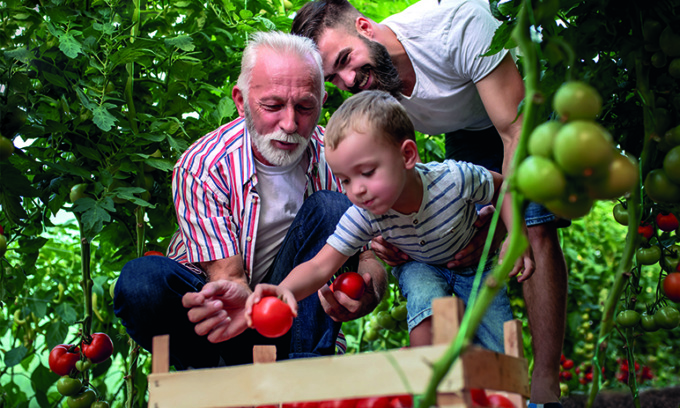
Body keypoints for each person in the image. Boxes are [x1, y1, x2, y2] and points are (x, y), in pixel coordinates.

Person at [291, 1, 568, 406]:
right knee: (474, 241)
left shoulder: (458, 26)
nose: (348, 80)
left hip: (523, 107)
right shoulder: (373, 94)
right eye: (333, 78)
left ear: (366, 26)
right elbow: (394, 179)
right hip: (466, 126)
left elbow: (513, 132)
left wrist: (508, 226)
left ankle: (545, 383)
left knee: (534, 225)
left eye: (346, 60)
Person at [113, 31, 386, 369]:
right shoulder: (203, 166)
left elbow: (370, 251)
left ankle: (306, 373)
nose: (289, 124)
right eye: (272, 106)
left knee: (330, 206)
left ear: (323, 101)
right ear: (241, 101)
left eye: (304, 107)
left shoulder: (337, 155)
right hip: (220, 313)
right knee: (141, 282)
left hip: (292, 314)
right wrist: (241, 300)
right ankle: (209, 374)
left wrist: (370, 289)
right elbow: (227, 278)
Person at [246, 90, 533, 352]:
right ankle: (425, 381)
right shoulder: (365, 213)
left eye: (367, 172)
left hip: (475, 267)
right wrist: (285, 289)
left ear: (407, 155)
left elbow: (502, 188)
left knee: (499, 342)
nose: (356, 189)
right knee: (424, 298)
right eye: (345, 180)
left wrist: (515, 233)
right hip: (420, 265)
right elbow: (321, 264)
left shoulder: (455, 179)